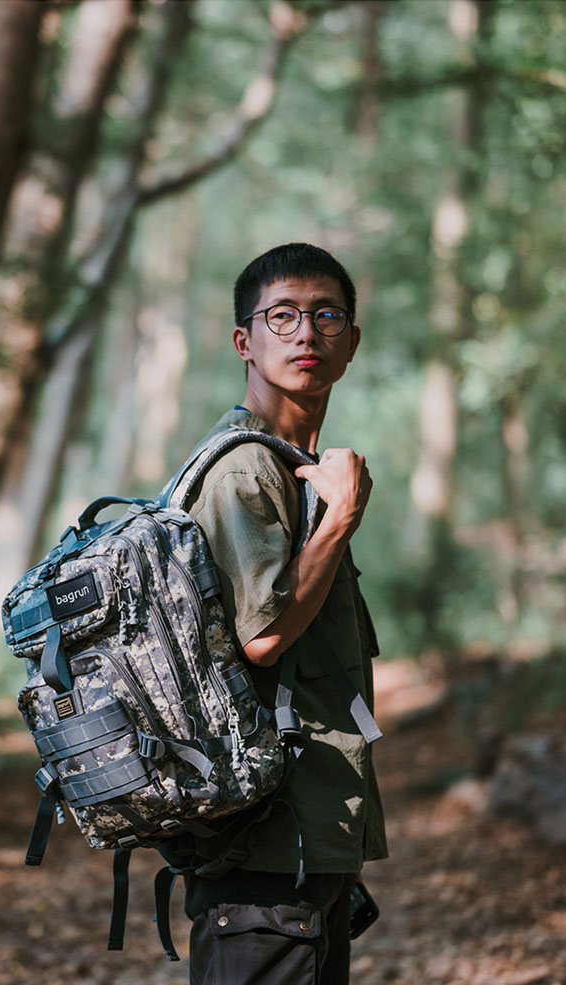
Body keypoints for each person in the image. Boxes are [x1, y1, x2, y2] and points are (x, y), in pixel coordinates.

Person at [179, 242, 387, 985]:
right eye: (283, 315)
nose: (307, 333)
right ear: (246, 340)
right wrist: (341, 518)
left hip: (302, 840)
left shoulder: (293, 466)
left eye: (327, 314)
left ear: (352, 341)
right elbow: (263, 634)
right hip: (262, 854)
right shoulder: (244, 469)